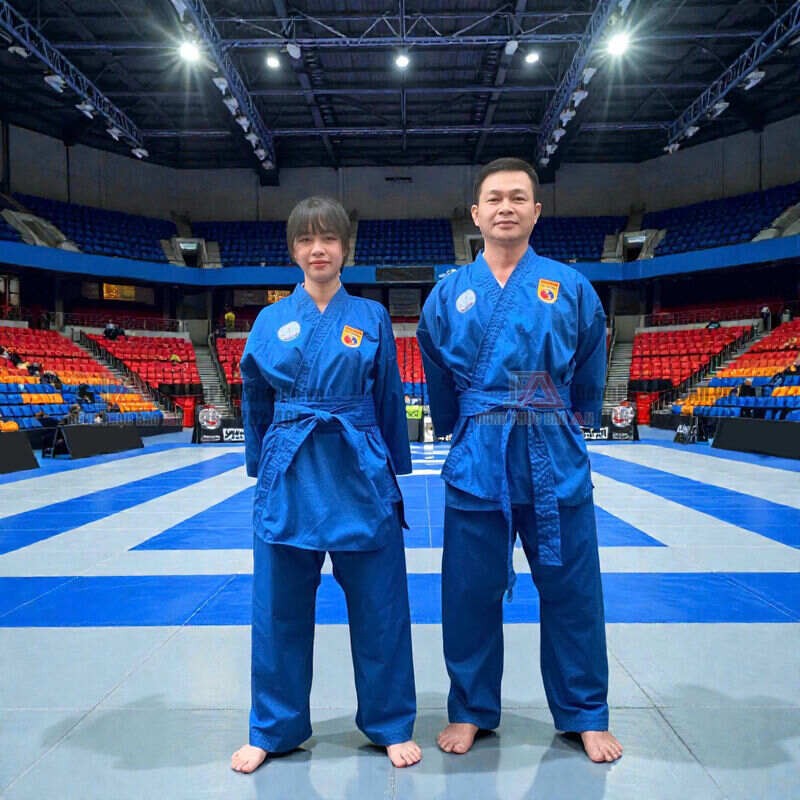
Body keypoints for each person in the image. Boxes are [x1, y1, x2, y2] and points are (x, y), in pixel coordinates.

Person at [417, 157, 622, 763]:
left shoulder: (572, 287)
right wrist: (460, 424)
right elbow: (436, 370)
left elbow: (590, 365)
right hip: (479, 452)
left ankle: (584, 712)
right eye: (494, 198)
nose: (505, 207)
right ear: (476, 214)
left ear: (536, 211)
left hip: (553, 447)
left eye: (517, 198)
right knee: (469, 593)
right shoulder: (448, 293)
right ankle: (470, 708)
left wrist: (571, 413)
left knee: (573, 590)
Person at [231, 196, 420, 774]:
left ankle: (390, 721)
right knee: (278, 609)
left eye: (329, 238)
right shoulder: (269, 320)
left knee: (381, 606)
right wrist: (261, 465)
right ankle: (274, 727)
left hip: (359, 468)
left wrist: (394, 465)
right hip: (290, 471)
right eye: (307, 239)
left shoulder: (371, 316)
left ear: (345, 249)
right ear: (293, 251)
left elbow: (388, 394)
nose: (319, 249)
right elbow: (255, 398)